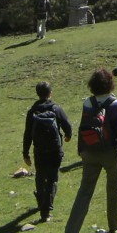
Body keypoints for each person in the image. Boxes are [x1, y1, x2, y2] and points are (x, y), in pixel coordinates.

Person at [62, 68, 117, 233]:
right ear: (110, 83)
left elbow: (82, 127)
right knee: (113, 188)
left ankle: (70, 232)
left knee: (84, 191)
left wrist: (81, 150)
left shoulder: (87, 102)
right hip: (110, 152)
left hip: (89, 151)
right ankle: (113, 225)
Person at [22, 81, 73, 222]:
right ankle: (46, 211)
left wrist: (25, 153)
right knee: (52, 178)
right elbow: (67, 126)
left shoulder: (32, 111)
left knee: (40, 176)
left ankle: (41, 204)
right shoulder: (56, 108)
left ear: (37, 94)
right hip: (55, 150)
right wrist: (68, 135)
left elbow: (27, 134)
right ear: (50, 93)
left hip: (39, 150)